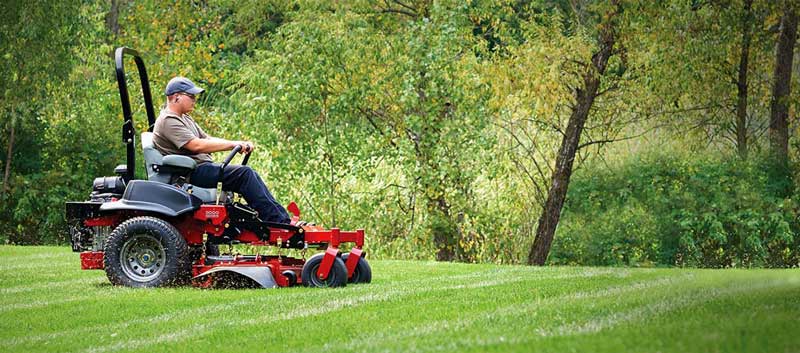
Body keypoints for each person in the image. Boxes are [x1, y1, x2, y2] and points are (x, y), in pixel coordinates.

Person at [152, 76, 291, 224]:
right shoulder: (168, 120)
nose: (194, 100)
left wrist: (237, 143)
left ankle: (281, 219)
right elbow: (196, 145)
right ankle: (279, 222)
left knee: (249, 173)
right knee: (244, 174)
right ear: (176, 97)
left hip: (201, 168)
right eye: (191, 96)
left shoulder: (184, 118)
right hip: (190, 173)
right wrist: (232, 145)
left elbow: (207, 139)